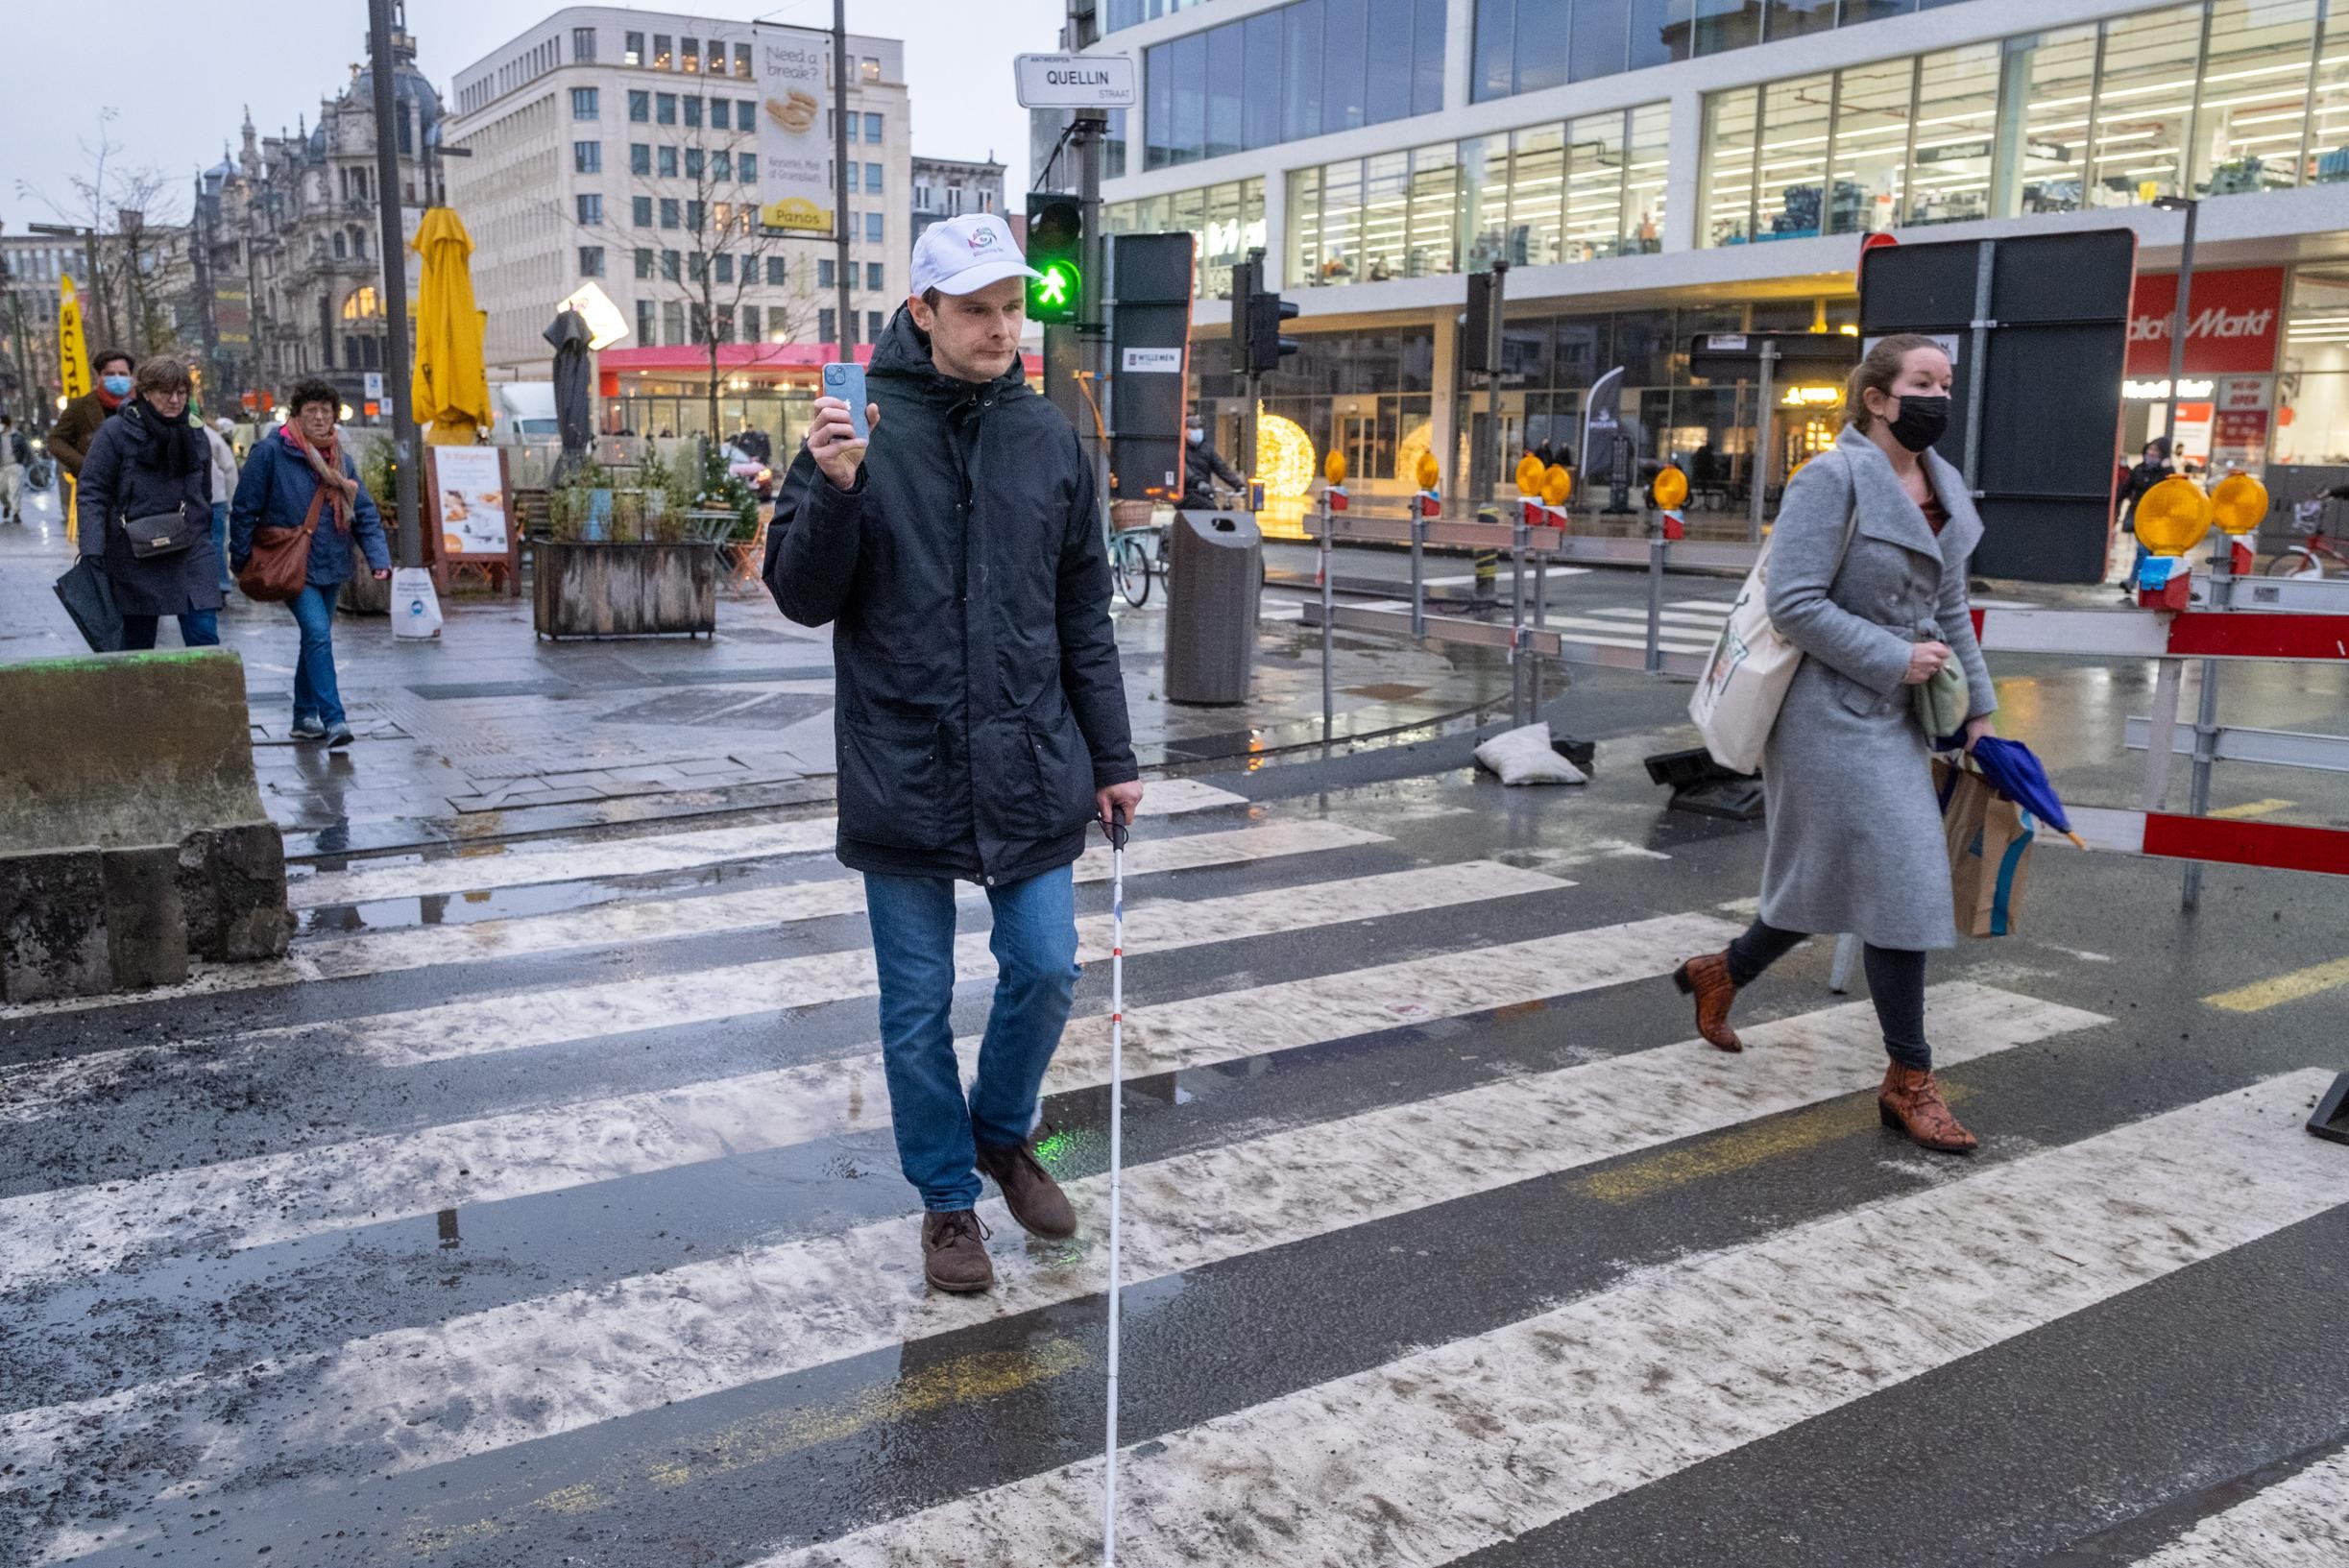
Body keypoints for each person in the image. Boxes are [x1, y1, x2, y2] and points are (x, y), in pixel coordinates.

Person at [765, 210, 1141, 1295]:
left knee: (1044, 964)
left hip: (1029, 755)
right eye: (976, 308)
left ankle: (1001, 1131)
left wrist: (1111, 756)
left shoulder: (1049, 439)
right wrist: (832, 492)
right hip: (903, 757)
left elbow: (1084, 612)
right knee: (915, 1001)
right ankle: (946, 1201)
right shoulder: (855, 426)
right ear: (921, 311)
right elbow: (801, 597)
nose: (1000, 327)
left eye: (1012, 305)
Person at [1674, 333, 1997, 1155]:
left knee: (1827, 877)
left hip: (1902, 712)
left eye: (1946, 383)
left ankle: (1723, 971)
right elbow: (1794, 603)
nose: (1939, 397)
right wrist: (1896, 656)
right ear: (1878, 396)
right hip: (1827, 712)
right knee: (1900, 877)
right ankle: (1909, 1079)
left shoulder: (1943, 486)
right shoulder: (1832, 478)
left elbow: (1952, 607)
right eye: (1923, 382)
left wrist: (1981, 712)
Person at [229, 380, 391, 747]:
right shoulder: (271, 452)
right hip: (290, 564)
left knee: (314, 639)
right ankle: (334, 720)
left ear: (334, 415)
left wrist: (378, 557)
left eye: (325, 410)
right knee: (318, 634)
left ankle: (303, 716)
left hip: (332, 561)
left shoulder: (341, 459)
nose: (319, 417)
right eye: (310, 411)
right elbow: (244, 509)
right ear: (296, 416)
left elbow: (363, 512)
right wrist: (240, 560)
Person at [76, 357, 224, 649]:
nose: (174, 400)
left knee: (205, 640)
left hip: (189, 549)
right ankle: (143, 696)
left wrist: (204, 534)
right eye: (165, 392)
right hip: (133, 552)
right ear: (145, 392)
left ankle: (205, 697)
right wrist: (93, 550)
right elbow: (92, 491)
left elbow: (203, 492)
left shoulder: (195, 434)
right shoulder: (116, 432)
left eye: (181, 393)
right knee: (137, 649)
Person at [49, 347, 134, 486]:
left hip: (136, 486)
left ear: (131, 376)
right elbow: (56, 440)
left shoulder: (142, 405)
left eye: (123, 374)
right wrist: (85, 465)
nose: (117, 378)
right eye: (111, 374)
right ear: (99, 376)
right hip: (97, 486)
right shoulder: (80, 406)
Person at [2116, 439, 2170, 599]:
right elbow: (2126, 489)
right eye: (2150, 450)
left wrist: (2166, 469)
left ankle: (2146, 582)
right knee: (2143, 550)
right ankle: (2137, 581)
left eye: (2156, 451)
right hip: (2140, 516)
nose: (2151, 453)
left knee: (2153, 551)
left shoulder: (2166, 472)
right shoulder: (2139, 470)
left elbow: (2171, 488)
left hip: (2159, 518)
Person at [1179, 406, 1243, 511]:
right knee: (1210, 508)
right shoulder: (1180, 448)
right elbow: (1184, 469)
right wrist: (1198, 483)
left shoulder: (1207, 449)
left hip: (1205, 492)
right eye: (1193, 429)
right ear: (1185, 431)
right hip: (1186, 494)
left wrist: (1238, 484)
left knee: (1212, 510)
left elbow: (1221, 468)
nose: (1197, 432)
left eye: (1199, 429)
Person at [204, 416, 240, 593]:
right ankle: (220, 582)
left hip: (193, 500)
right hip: (216, 498)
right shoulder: (210, 435)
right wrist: (231, 500)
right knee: (216, 542)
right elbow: (229, 468)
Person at [0, 415, 26, 522]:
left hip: (15, 466)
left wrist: (23, 463)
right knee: (1, 491)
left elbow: (25, 450)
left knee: (15, 490)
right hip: (2, 468)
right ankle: (7, 505)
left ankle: (16, 513)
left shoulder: (17, 436)